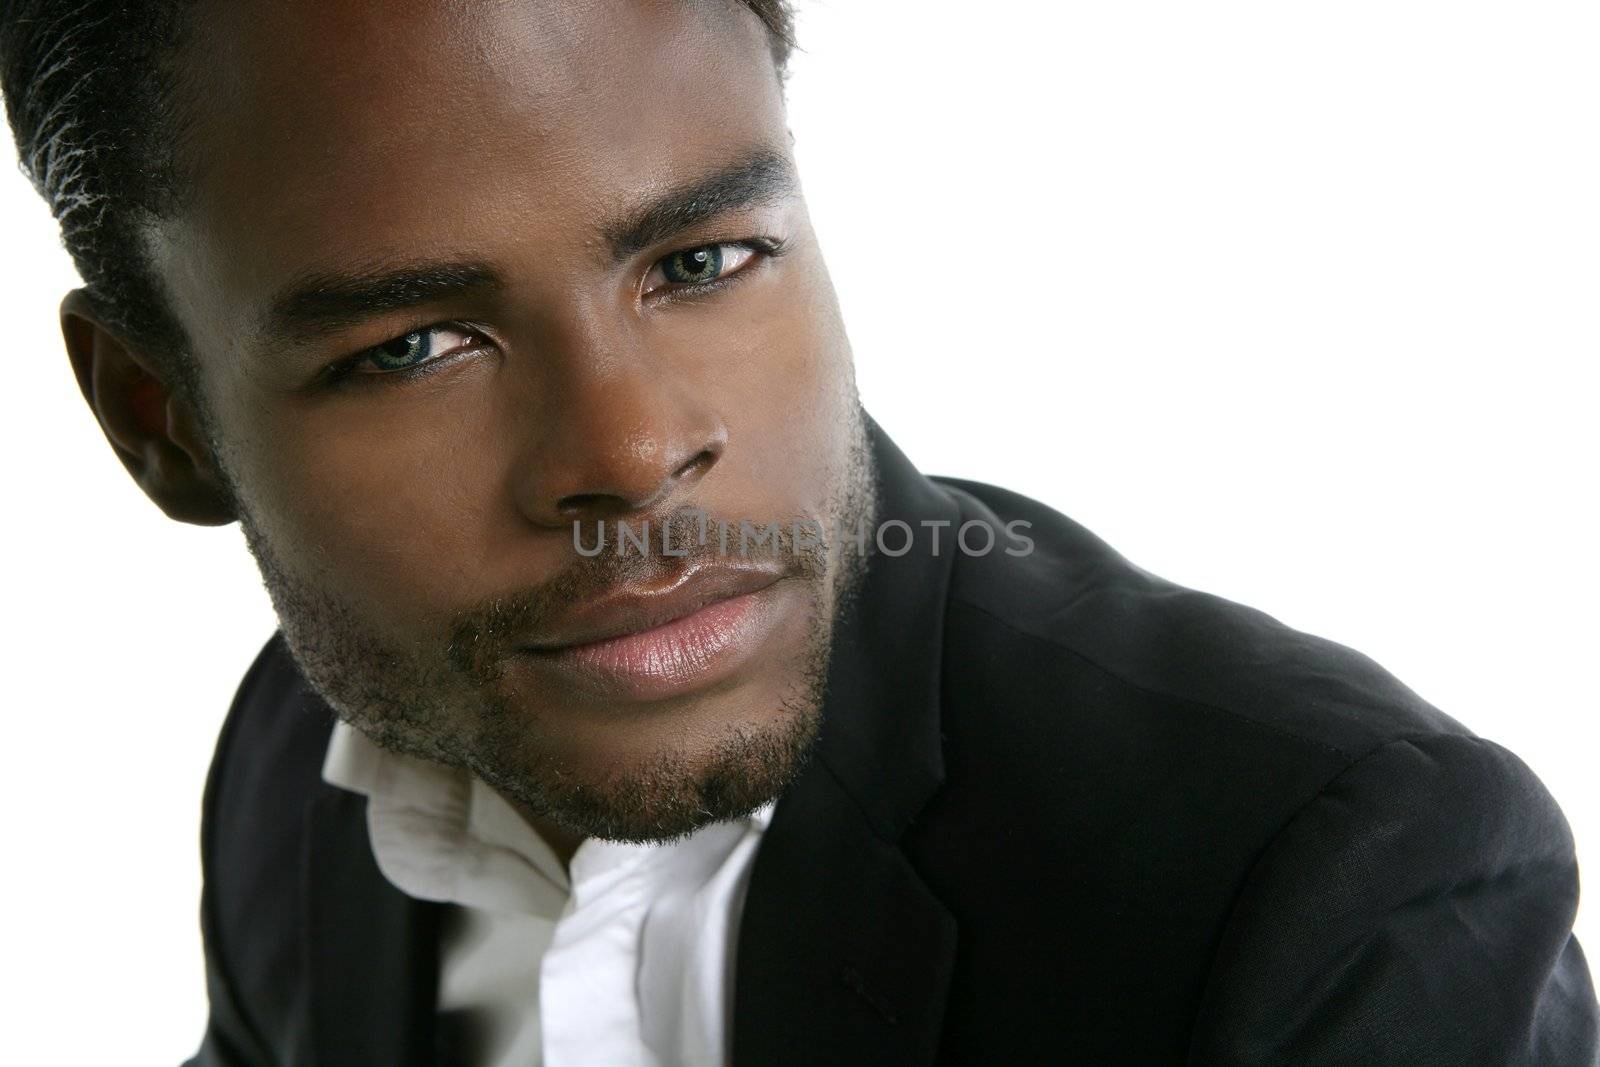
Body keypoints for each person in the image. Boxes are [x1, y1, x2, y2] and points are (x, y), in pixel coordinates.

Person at [2, 2, 1594, 1064]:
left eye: (698, 262)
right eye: (413, 346)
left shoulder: (1331, 896)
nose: (631, 456)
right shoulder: (298, 753)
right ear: (162, 418)